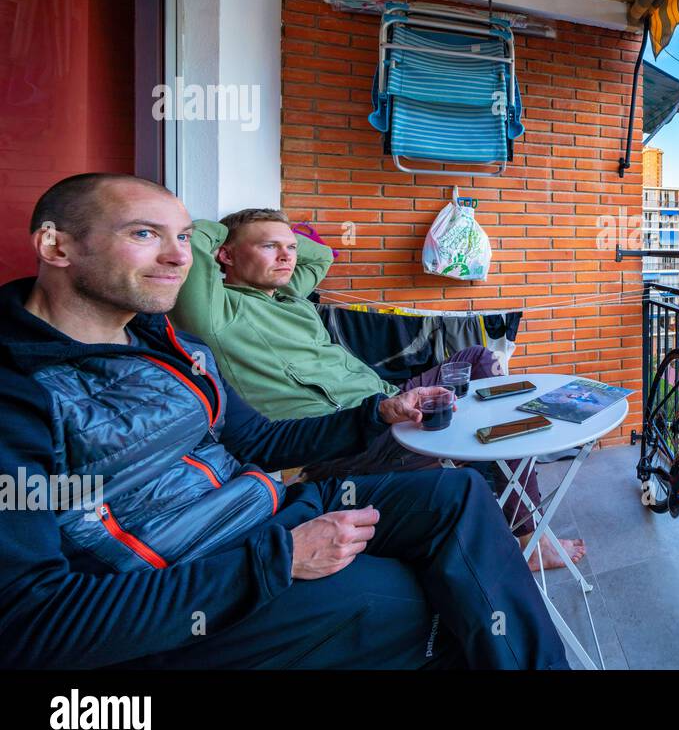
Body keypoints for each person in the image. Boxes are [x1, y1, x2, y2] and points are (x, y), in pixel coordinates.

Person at [0, 173, 569, 669]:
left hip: (266, 510)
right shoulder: (20, 389)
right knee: (440, 601)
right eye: (145, 234)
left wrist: (378, 411)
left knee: (459, 491)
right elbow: (29, 622)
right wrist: (280, 559)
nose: (177, 255)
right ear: (55, 245)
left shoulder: (171, 343)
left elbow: (259, 439)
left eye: (180, 237)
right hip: (193, 574)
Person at [169, 207, 585, 571]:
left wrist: (272, 235)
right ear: (224, 255)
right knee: (497, 430)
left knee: (477, 359)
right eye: (268, 248)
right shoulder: (218, 314)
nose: (287, 256)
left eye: (290, 247)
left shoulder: (289, 299)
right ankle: (529, 535)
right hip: (342, 435)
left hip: (387, 400)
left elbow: (322, 254)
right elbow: (197, 235)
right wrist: (231, 232)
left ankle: (497, 473)